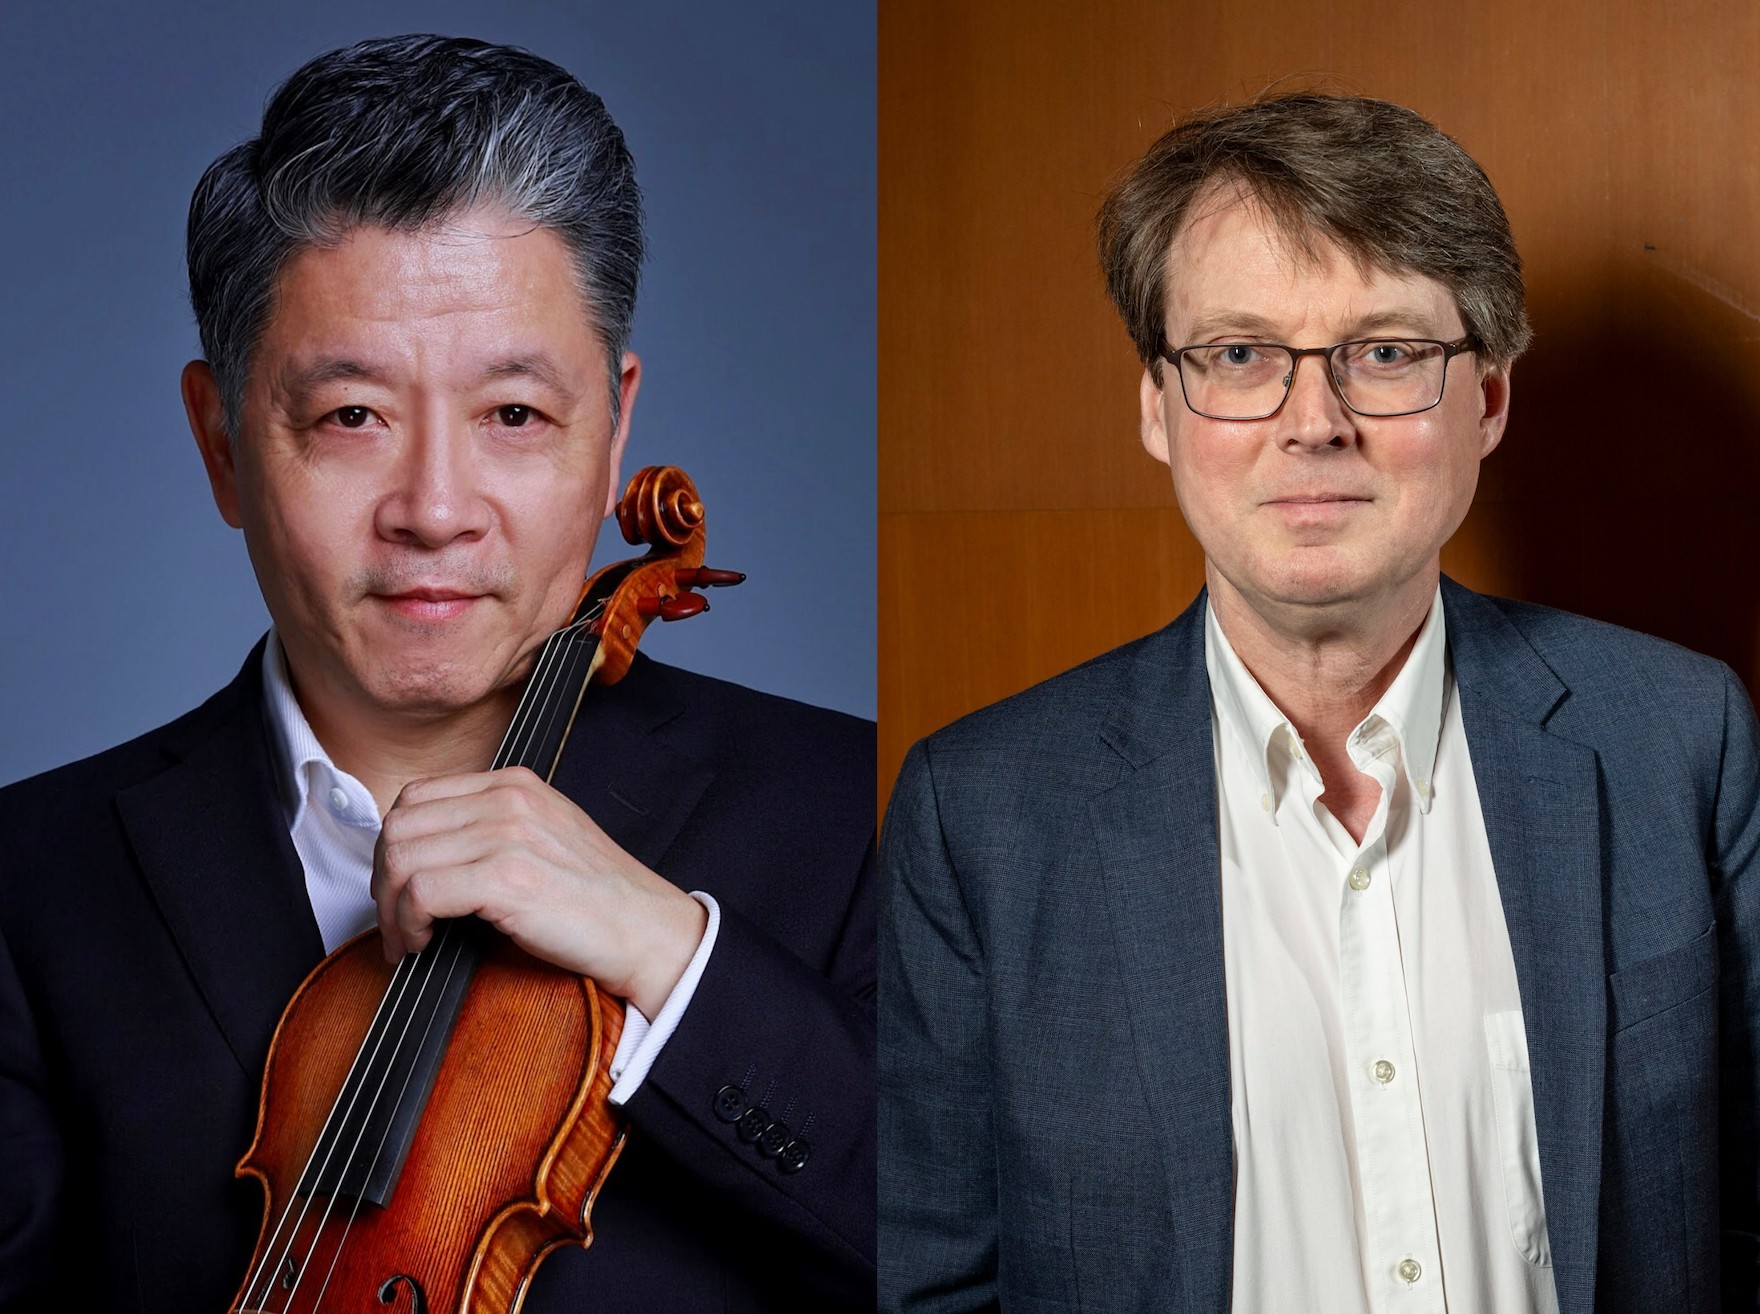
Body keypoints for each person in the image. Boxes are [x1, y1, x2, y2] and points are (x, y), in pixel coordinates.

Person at [0, 35, 874, 1313]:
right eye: (350, 416)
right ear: (222, 443)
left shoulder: (863, 813)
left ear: (613, 428)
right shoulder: (32, 884)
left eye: (513, 415)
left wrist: (671, 957)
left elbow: (1001, 1256)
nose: (434, 508)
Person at [879, 92, 1760, 1314]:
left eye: (1385, 354)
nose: (1312, 425)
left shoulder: (1680, 738)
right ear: (1157, 407)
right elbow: (927, 1285)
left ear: (1487, 401)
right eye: (1238, 356)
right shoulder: (977, 814)